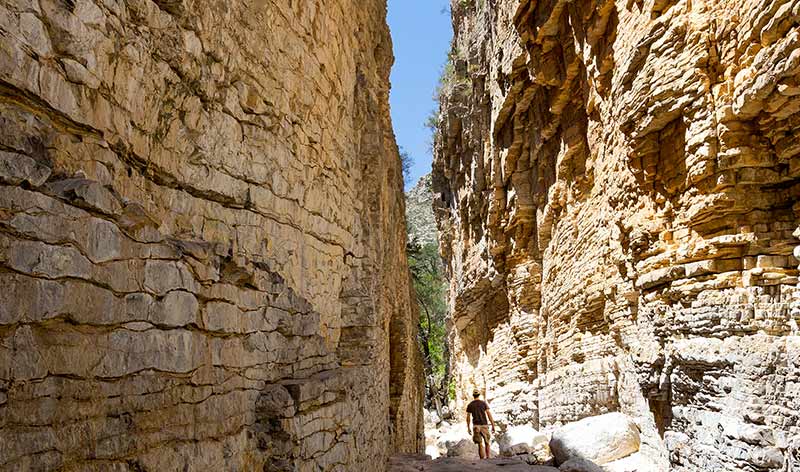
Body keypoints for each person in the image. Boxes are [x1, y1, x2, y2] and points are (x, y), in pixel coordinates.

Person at [466, 389, 496, 459]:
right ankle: (488, 457)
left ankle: (482, 459)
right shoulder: (483, 403)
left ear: (473, 395)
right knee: (487, 442)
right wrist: (493, 425)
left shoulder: (470, 405)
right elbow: (489, 414)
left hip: (476, 426)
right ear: (479, 395)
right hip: (484, 425)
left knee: (480, 444)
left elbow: (468, 417)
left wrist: (468, 427)